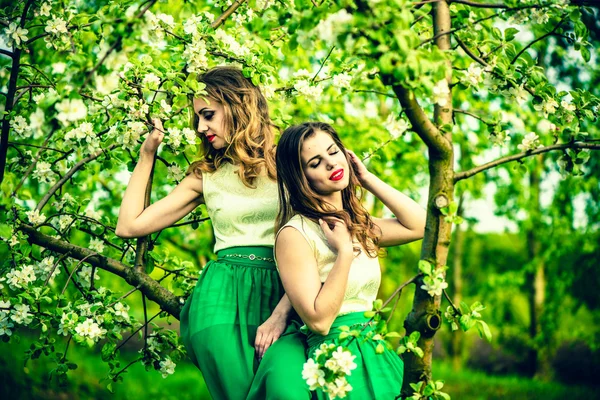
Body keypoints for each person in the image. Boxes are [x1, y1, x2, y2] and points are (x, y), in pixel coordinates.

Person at [115, 66, 309, 400]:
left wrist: (282, 314)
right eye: (197, 120)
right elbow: (128, 225)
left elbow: (320, 237)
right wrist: (148, 154)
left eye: (208, 115)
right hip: (221, 302)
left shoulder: (290, 162)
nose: (201, 128)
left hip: (286, 291)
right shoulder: (207, 176)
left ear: (237, 106)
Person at [274, 122, 427, 399]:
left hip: (375, 351)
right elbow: (319, 321)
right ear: (301, 177)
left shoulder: (358, 225)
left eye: (334, 152)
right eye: (316, 163)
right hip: (336, 364)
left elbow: (420, 225)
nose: (331, 164)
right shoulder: (295, 234)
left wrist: (367, 178)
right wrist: (344, 253)